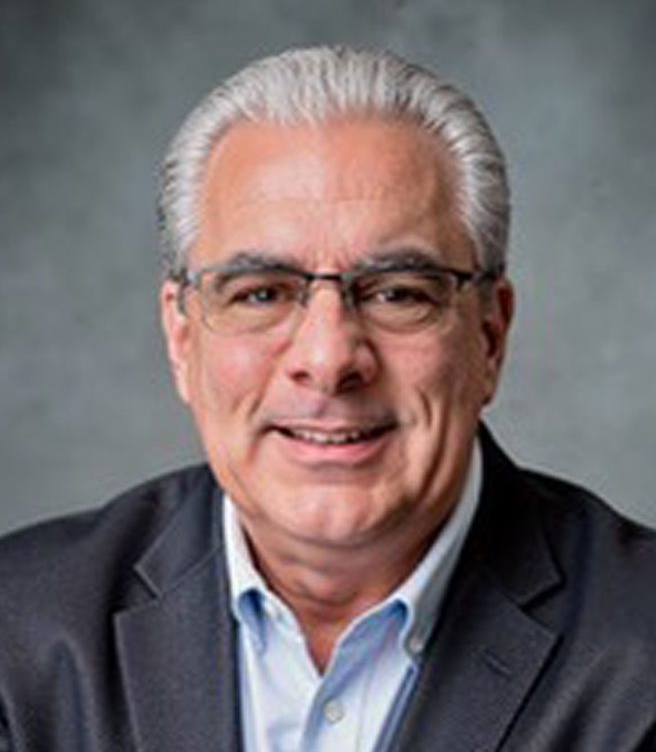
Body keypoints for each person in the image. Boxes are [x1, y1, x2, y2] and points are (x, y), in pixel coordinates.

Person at [0, 46, 655, 752]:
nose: (328, 359)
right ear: (181, 338)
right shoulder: (18, 631)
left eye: (398, 293)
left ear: (489, 337)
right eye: (260, 294)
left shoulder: (641, 652)